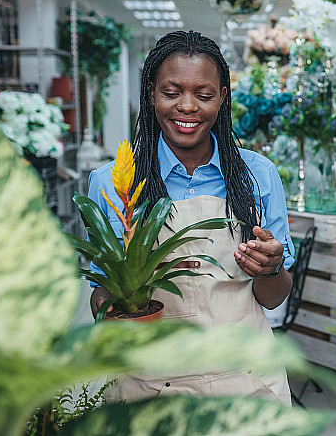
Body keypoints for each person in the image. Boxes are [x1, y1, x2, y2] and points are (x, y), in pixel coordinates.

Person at [88, 30, 294, 404]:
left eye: (204, 95)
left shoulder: (257, 175)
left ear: (222, 98)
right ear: (151, 93)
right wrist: (114, 317)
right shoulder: (112, 182)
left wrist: (271, 268)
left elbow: (274, 297)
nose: (187, 107)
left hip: (245, 382)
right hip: (148, 384)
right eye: (171, 92)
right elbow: (100, 290)